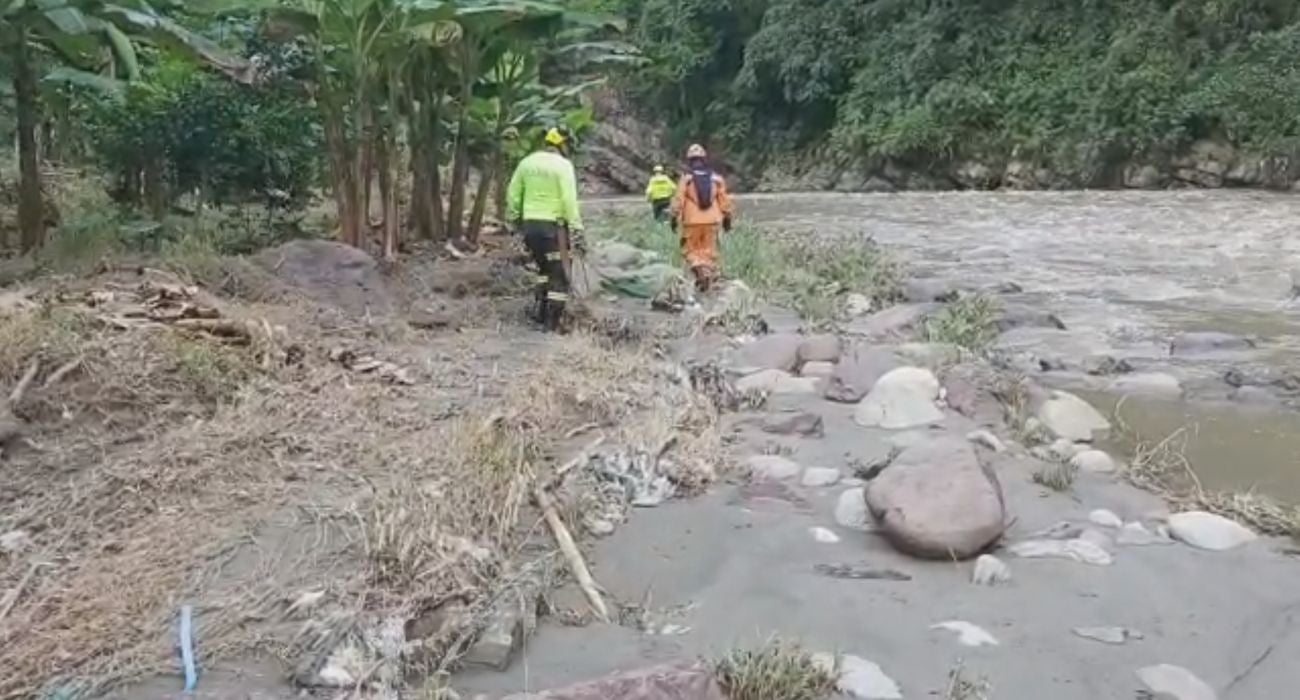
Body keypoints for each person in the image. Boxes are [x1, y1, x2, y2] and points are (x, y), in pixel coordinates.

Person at [506, 125, 585, 332]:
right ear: (562, 145)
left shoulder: (527, 163)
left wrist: (515, 220)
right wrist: (577, 227)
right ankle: (552, 324)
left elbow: (513, 194)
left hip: (530, 226)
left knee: (543, 269)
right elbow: (569, 199)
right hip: (554, 228)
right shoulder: (563, 166)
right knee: (558, 274)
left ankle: (540, 313)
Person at [671, 144, 734, 292]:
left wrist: (673, 219)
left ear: (689, 161)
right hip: (712, 221)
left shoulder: (686, 179)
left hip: (691, 222)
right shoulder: (717, 179)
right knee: (709, 251)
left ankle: (700, 273)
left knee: (690, 251)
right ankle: (707, 277)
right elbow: (725, 202)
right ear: (704, 159)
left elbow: (678, 201)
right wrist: (728, 219)